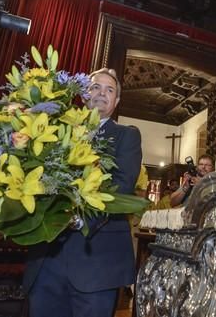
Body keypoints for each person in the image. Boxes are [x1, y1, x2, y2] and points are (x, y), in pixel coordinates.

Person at [23, 68, 142, 317]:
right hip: (47, 258)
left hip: (96, 262)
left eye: (110, 90)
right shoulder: (54, 128)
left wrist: (76, 219)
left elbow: (121, 186)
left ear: (116, 102)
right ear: (83, 94)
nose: (102, 93)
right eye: (96, 87)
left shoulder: (126, 136)